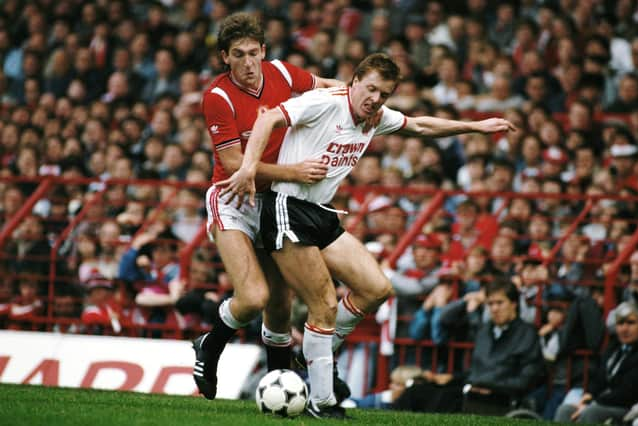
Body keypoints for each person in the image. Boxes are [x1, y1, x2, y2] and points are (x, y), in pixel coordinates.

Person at [218, 53, 515, 418]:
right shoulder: (325, 103)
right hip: (286, 207)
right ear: (354, 81)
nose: (375, 98)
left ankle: (312, 353)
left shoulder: (375, 117)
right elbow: (267, 119)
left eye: (384, 94)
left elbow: (421, 126)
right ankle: (321, 401)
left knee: (377, 288)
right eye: (371, 88)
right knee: (324, 304)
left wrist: (475, 127)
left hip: (321, 212)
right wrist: (249, 169)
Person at [192, 12, 343, 401]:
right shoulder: (218, 97)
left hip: (275, 200)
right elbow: (233, 167)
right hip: (232, 199)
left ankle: (279, 385)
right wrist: (295, 171)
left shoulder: (281, 73)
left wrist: (359, 98)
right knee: (254, 297)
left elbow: (327, 86)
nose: (247, 63)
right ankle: (210, 345)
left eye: (253, 53)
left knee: (279, 302)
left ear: (264, 51)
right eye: (238, 55)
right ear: (224, 56)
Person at [393, 279, 544, 415]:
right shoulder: (484, 330)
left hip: (500, 397)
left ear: (514, 304)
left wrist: (489, 386)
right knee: (416, 390)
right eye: (490, 304)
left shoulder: (528, 334)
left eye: (500, 303)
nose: (494, 309)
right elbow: (476, 371)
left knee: (445, 399)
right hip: (471, 390)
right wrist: (451, 377)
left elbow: (526, 380)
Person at [554, 301, 638, 424]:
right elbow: (599, 379)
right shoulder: (613, 348)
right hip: (602, 402)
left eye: (631, 323)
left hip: (627, 408)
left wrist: (594, 401)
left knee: (591, 412)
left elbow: (627, 392)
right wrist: (589, 394)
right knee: (565, 410)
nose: (624, 328)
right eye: (620, 323)